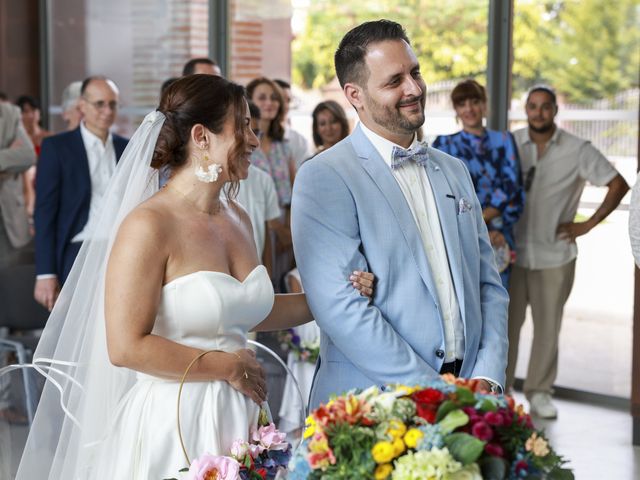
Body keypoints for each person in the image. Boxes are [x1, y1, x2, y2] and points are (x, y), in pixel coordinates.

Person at [11, 74, 374, 479]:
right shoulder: (148, 225)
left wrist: (332, 296)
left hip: (242, 419)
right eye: (244, 127)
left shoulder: (238, 216)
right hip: (175, 419)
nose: (255, 140)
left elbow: (248, 310)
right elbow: (126, 346)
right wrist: (227, 367)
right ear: (202, 136)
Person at [292, 19, 508, 410]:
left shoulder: (454, 169)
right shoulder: (324, 176)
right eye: (394, 81)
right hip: (370, 403)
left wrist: (487, 380)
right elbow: (342, 308)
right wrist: (435, 396)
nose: (414, 88)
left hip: (469, 398)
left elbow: (488, 285)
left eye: (415, 72)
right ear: (354, 95)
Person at [507, 85, 629, 418]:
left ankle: (539, 393)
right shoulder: (510, 144)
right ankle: (501, 393)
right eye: (532, 106)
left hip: (555, 256)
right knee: (505, 328)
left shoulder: (578, 149)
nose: (539, 113)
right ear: (526, 110)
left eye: (545, 107)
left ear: (555, 111)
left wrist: (587, 225)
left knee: (548, 329)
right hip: (512, 256)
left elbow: (618, 184)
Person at [33, 76, 128, 311]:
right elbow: (44, 212)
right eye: (100, 104)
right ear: (81, 106)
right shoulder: (57, 148)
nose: (107, 111)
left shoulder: (127, 148)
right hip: (78, 250)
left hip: (123, 250)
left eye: (112, 104)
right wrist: (45, 273)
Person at [433, 79, 524, 287]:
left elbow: (512, 187)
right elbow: (442, 193)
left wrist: (489, 225)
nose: (469, 109)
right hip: (460, 234)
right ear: (455, 109)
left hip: (499, 234)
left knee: (497, 302)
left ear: (484, 105)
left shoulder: (504, 140)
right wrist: (477, 225)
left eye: (474, 102)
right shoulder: (443, 145)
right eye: (462, 104)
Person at [0, 100, 36, 423]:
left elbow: (26, 155)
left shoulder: (9, 113)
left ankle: (5, 402)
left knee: (4, 314)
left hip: (8, 231)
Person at [16, 95, 53, 223]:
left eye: (33, 110)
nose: (30, 115)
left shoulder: (49, 137)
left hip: (44, 180)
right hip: (24, 187)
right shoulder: (16, 141)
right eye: (25, 111)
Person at [274, 79, 311, 168]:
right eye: (280, 99)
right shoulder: (254, 139)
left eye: (288, 100)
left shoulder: (299, 141)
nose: (285, 105)